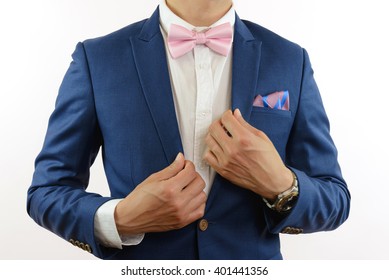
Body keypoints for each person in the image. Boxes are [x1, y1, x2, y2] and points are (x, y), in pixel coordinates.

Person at [27, 0, 350, 260]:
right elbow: (46, 192)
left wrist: (280, 185)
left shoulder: (290, 58)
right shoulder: (98, 58)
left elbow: (334, 199)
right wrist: (120, 218)